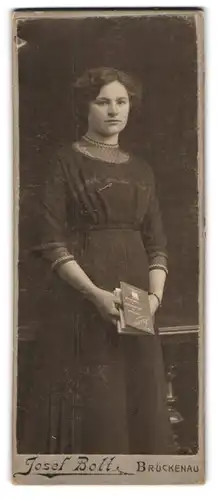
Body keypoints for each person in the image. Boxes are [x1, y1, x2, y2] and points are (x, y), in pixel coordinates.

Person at [19, 67, 175, 454]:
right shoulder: (63, 161)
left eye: (121, 101)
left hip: (138, 301)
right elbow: (51, 242)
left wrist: (153, 301)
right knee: (99, 412)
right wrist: (95, 295)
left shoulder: (142, 170)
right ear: (86, 106)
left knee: (140, 407)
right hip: (82, 299)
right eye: (102, 101)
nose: (113, 110)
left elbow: (157, 246)